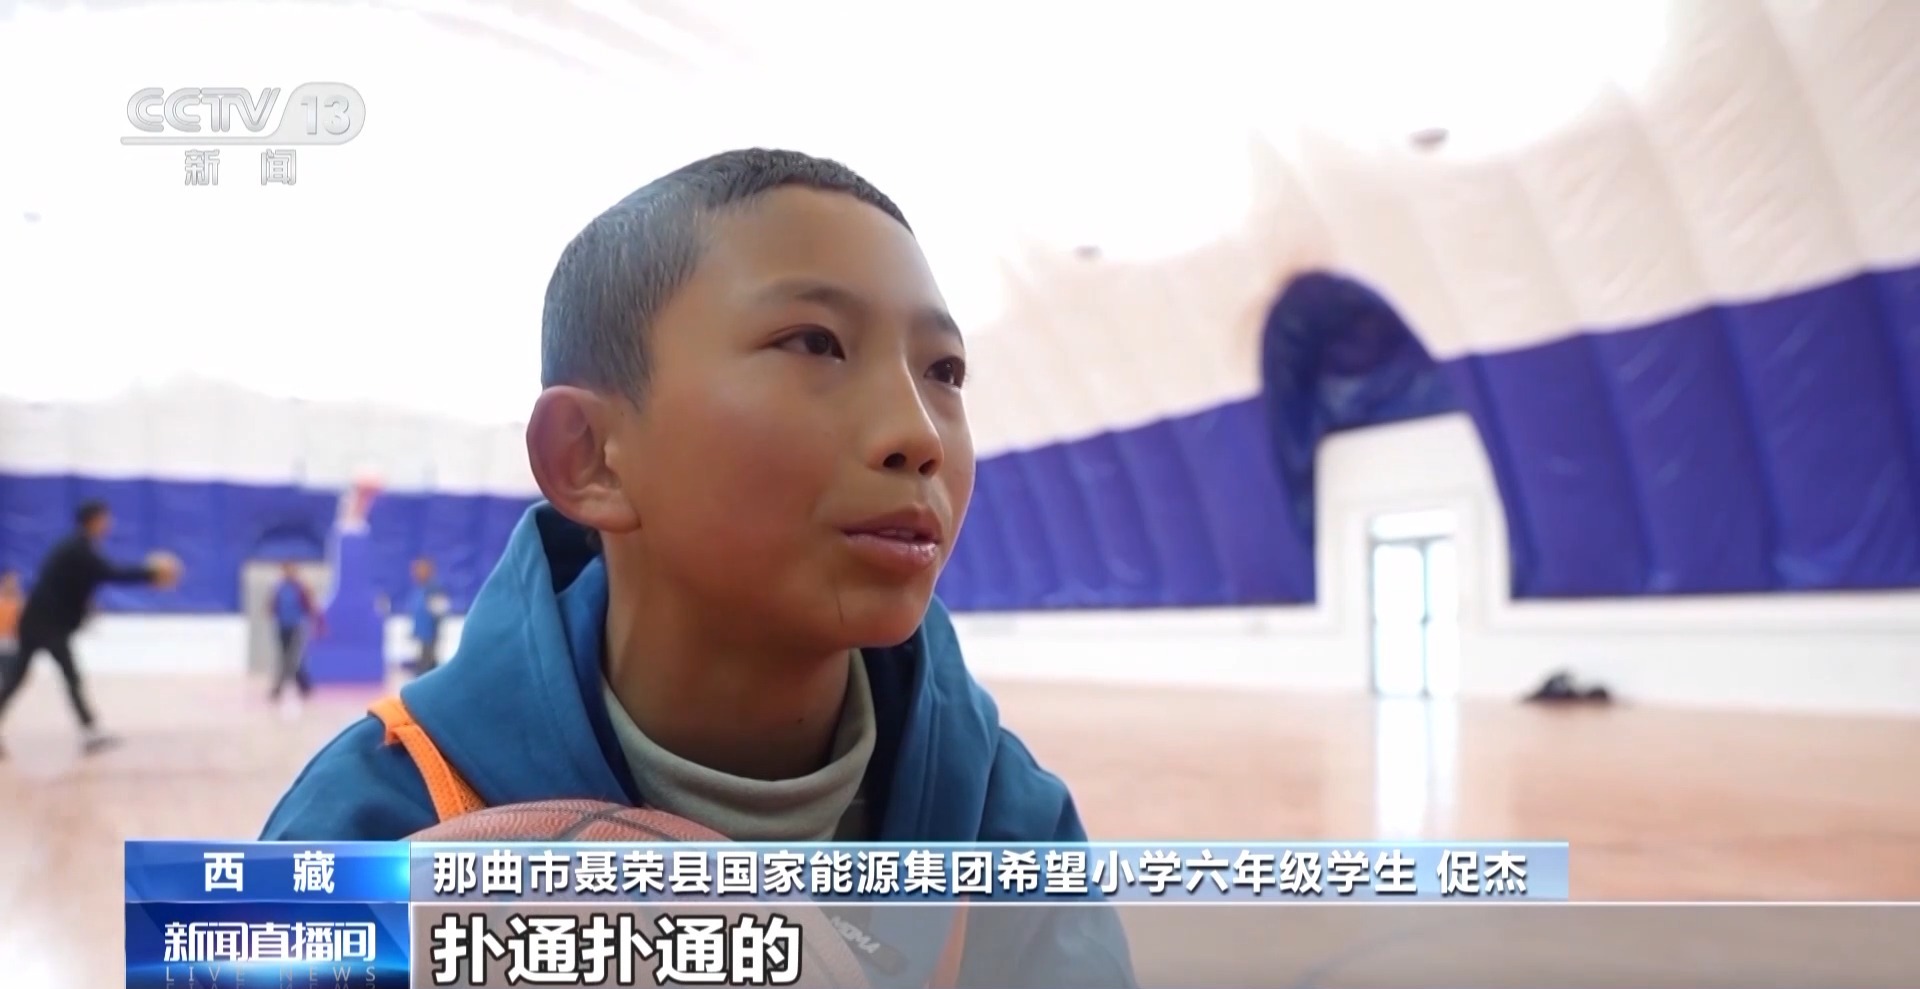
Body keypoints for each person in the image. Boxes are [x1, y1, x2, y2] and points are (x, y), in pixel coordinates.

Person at [261, 149, 1135, 986]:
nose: (918, 433)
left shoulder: (1007, 827)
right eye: (816, 343)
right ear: (589, 456)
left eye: (944, 370)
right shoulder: (372, 825)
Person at [0, 501, 180, 756]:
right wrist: (151, 572)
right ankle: (91, 732)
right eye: (105, 519)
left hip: (40, 621)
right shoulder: (79, 549)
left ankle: (91, 731)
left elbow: (72, 583)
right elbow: (110, 573)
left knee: (22, 678)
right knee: (65, 676)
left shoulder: (76, 546)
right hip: (45, 624)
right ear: (94, 520)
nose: (108, 524)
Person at [268, 562, 324, 711]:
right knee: (284, 657)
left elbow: (310, 606)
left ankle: (283, 688)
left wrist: (318, 623)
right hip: (282, 626)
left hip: (297, 626)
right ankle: (300, 687)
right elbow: (272, 606)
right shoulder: (279, 587)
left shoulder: (301, 588)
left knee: (294, 658)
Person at [401, 558, 448, 676]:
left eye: (421, 570)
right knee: (424, 662)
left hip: (429, 635)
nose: (416, 573)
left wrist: (433, 629)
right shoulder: (418, 589)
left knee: (427, 664)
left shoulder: (433, 589)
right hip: (421, 634)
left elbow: (440, 610)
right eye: (416, 570)